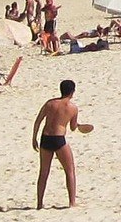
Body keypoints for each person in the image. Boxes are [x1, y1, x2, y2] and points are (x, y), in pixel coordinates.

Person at [32, 79, 87, 208]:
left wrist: (34, 138)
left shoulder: (50, 104)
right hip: (58, 139)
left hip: (45, 138)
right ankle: (72, 202)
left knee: (43, 172)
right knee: (69, 170)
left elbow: (38, 121)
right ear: (72, 92)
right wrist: (78, 125)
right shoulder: (72, 108)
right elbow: (73, 127)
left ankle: (39, 204)